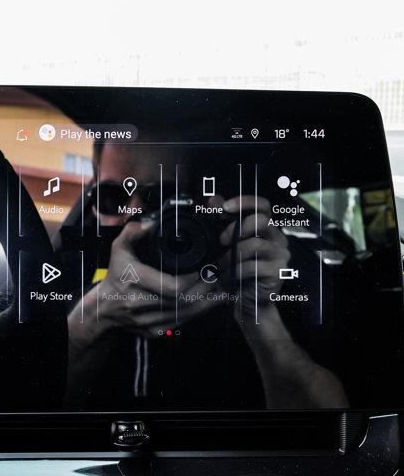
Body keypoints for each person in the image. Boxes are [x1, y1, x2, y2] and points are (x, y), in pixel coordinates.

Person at [64, 140, 347, 410]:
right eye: (112, 198)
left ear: (201, 204)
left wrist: (260, 318)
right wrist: (95, 317)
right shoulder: (73, 277)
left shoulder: (259, 284)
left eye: (162, 197)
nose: (132, 215)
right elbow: (39, 405)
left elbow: (330, 430)